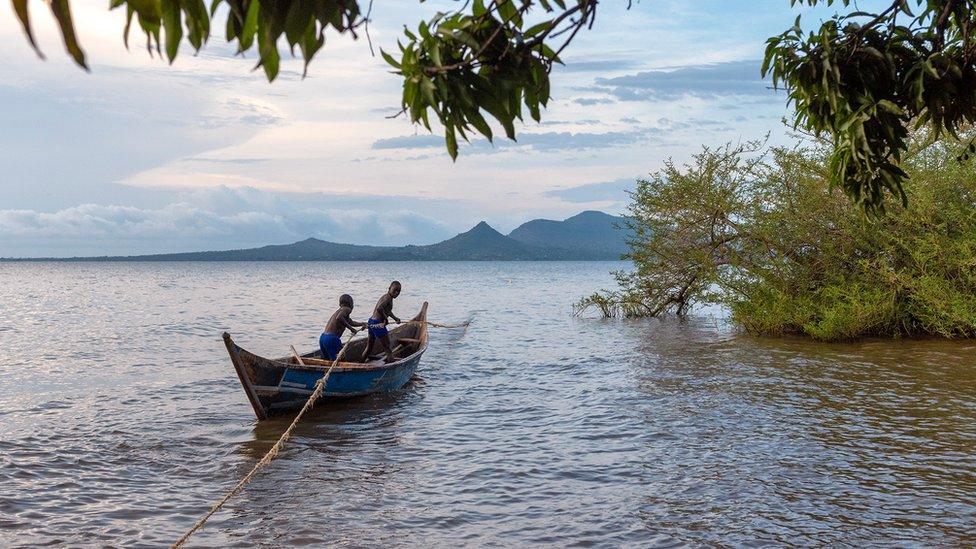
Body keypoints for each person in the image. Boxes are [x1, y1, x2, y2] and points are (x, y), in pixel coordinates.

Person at [363, 281, 402, 363]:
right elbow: (379, 309)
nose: (396, 293)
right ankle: (391, 365)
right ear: (389, 289)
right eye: (395, 290)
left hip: (371, 322)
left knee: (369, 347)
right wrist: (386, 319)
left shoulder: (387, 297)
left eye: (399, 291)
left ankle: (361, 362)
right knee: (387, 347)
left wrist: (395, 318)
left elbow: (387, 311)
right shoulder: (388, 298)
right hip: (377, 323)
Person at [320, 294, 366, 361]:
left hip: (323, 338)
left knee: (326, 361)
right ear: (350, 304)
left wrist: (363, 324)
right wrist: (352, 329)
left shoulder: (340, 311)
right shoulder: (347, 309)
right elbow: (339, 318)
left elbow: (351, 322)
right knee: (340, 360)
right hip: (332, 339)